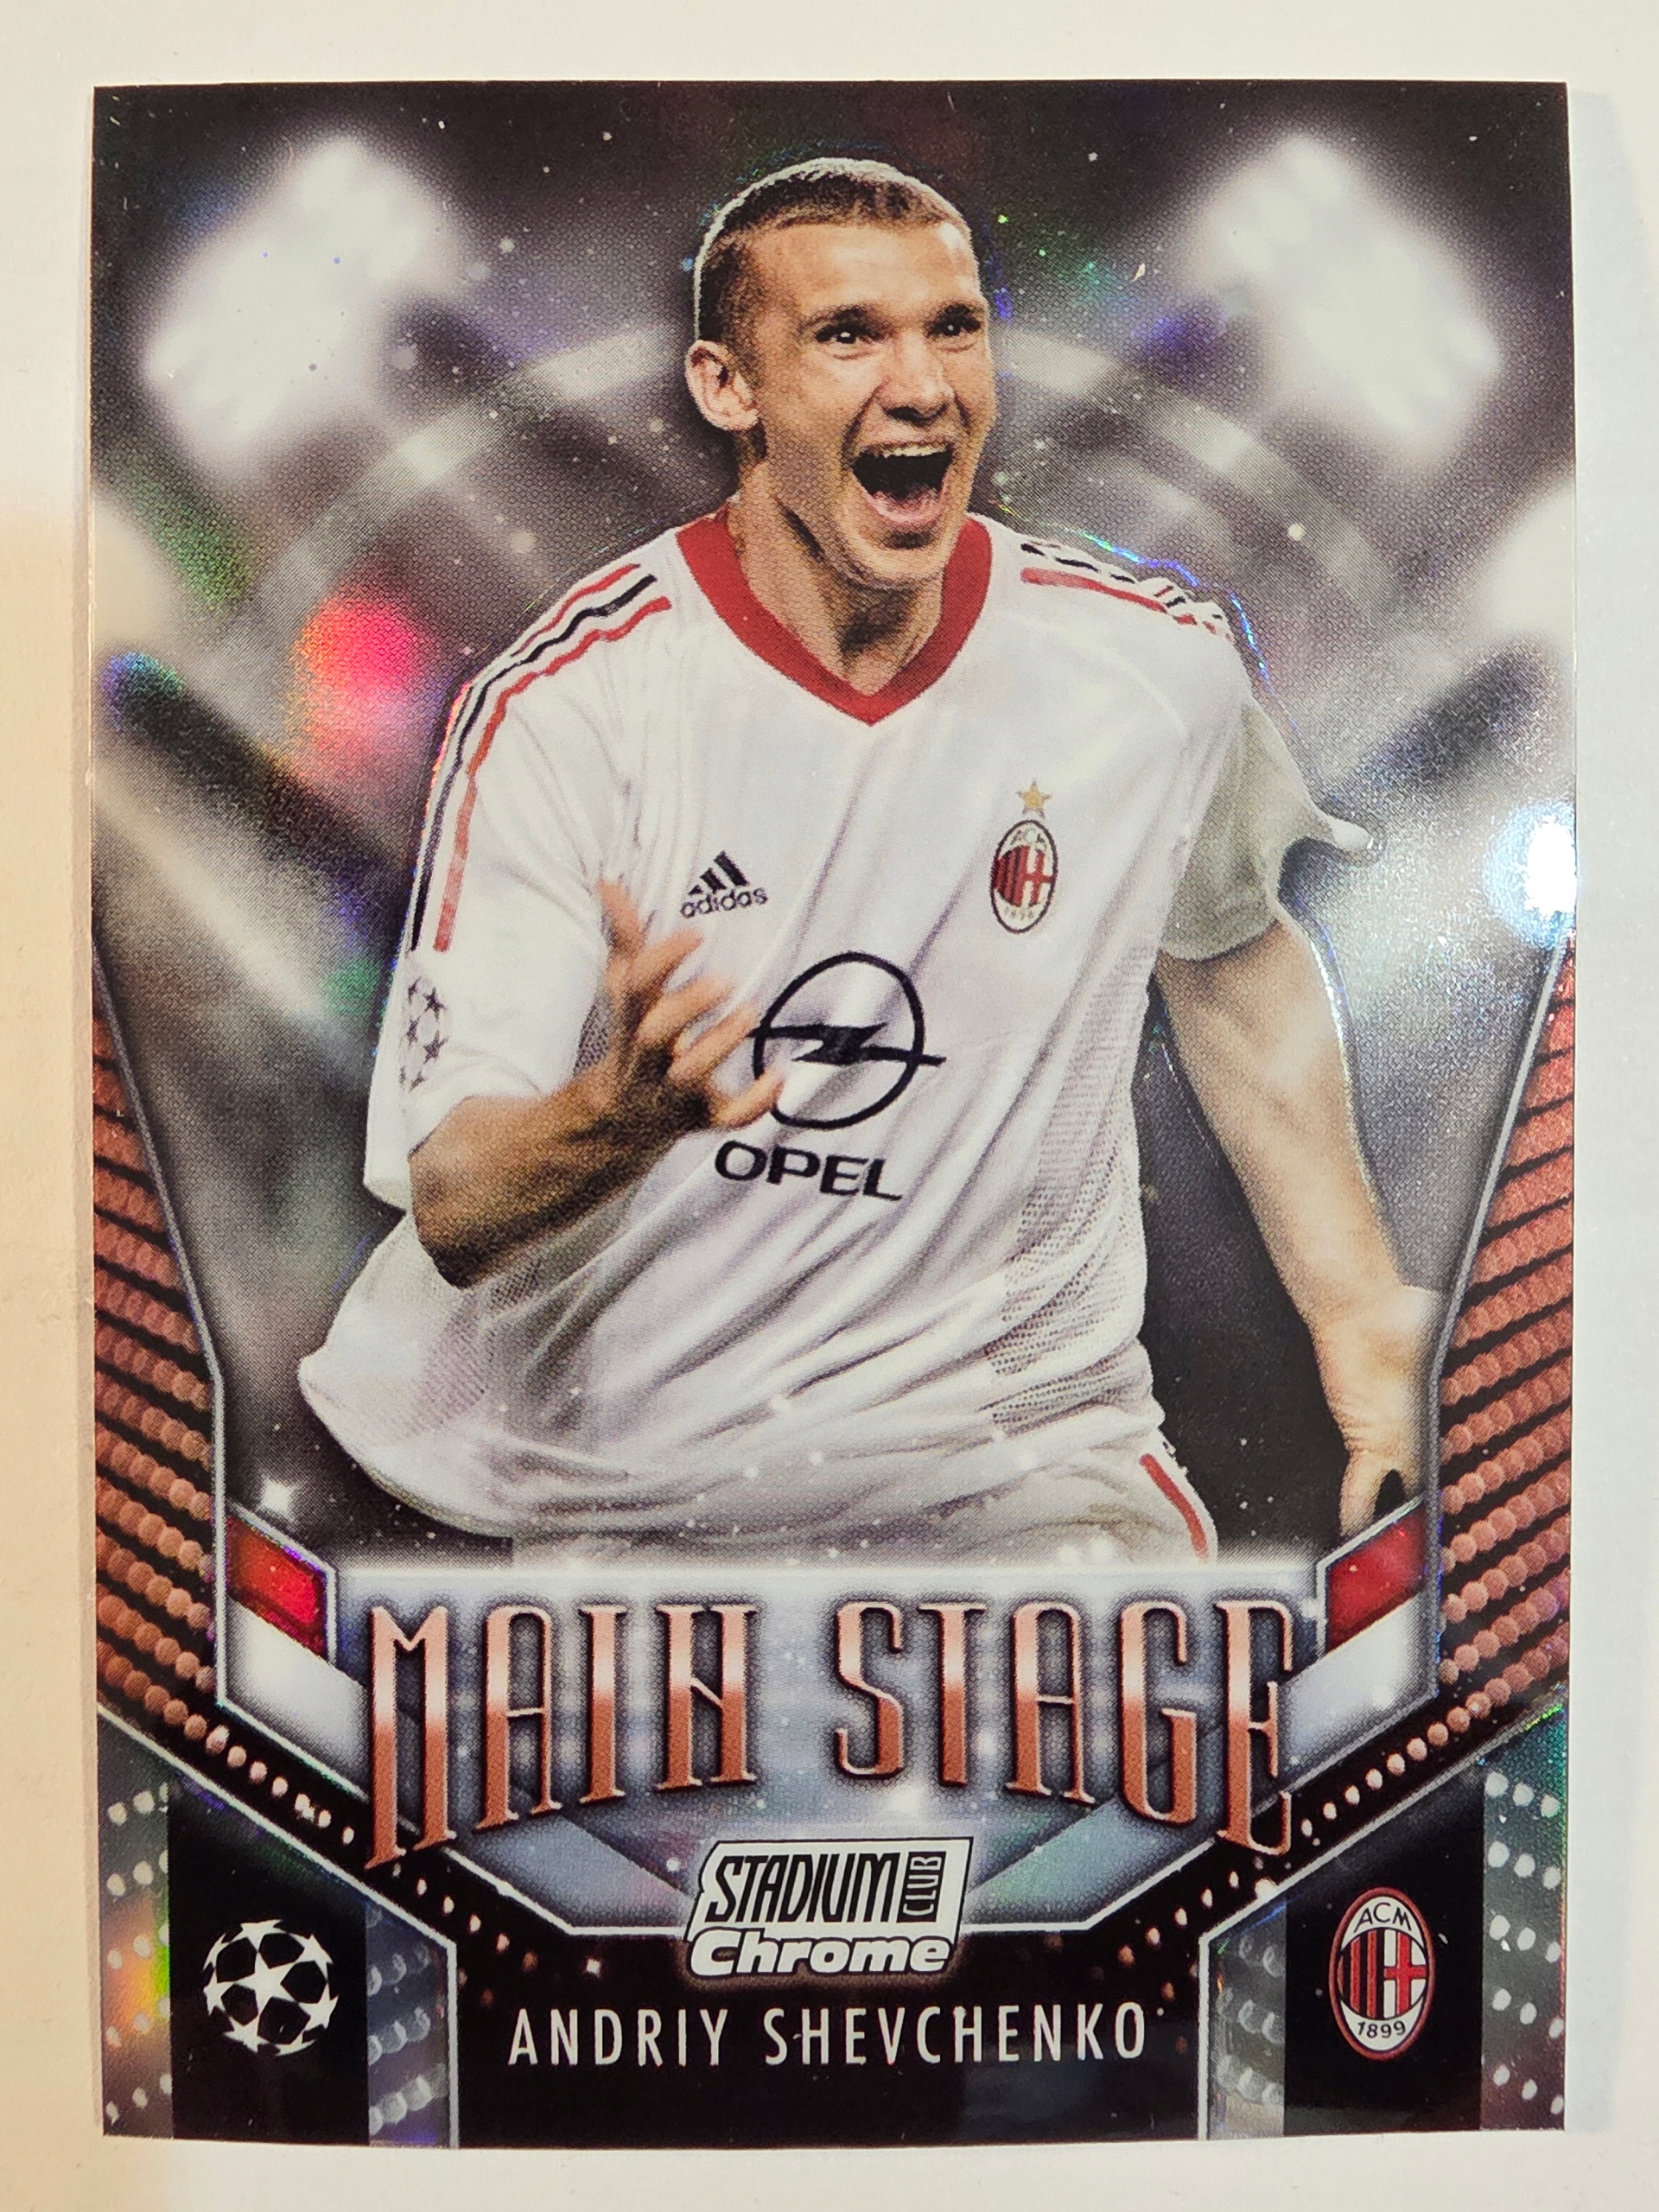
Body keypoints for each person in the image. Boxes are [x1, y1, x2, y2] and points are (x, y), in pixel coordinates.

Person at [299, 157, 1438, 1563]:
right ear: (729, 386)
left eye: (953, 329)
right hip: (646, 1495)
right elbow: (459, 1201)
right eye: (849, 334)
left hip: (1033, 1472)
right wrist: (621, 1113)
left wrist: (1359, 1317)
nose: (922, 386)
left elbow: (1234, 966)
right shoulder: (571, 707)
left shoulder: (1154, 673)